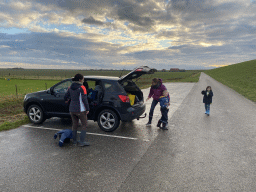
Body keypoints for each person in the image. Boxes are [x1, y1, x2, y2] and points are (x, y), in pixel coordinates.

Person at [64, 74, 90, 146]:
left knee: (75, 124)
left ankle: (74, 142)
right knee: (84, 124)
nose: (83, 80)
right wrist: (87, 108)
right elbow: (84, 99)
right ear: (80, 80)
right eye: (83, 79)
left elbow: (65, 97)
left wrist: (67, 101)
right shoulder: (82, 87)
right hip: (80, 110)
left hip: (72, 109)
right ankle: (82, 142)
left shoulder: (70, 87)